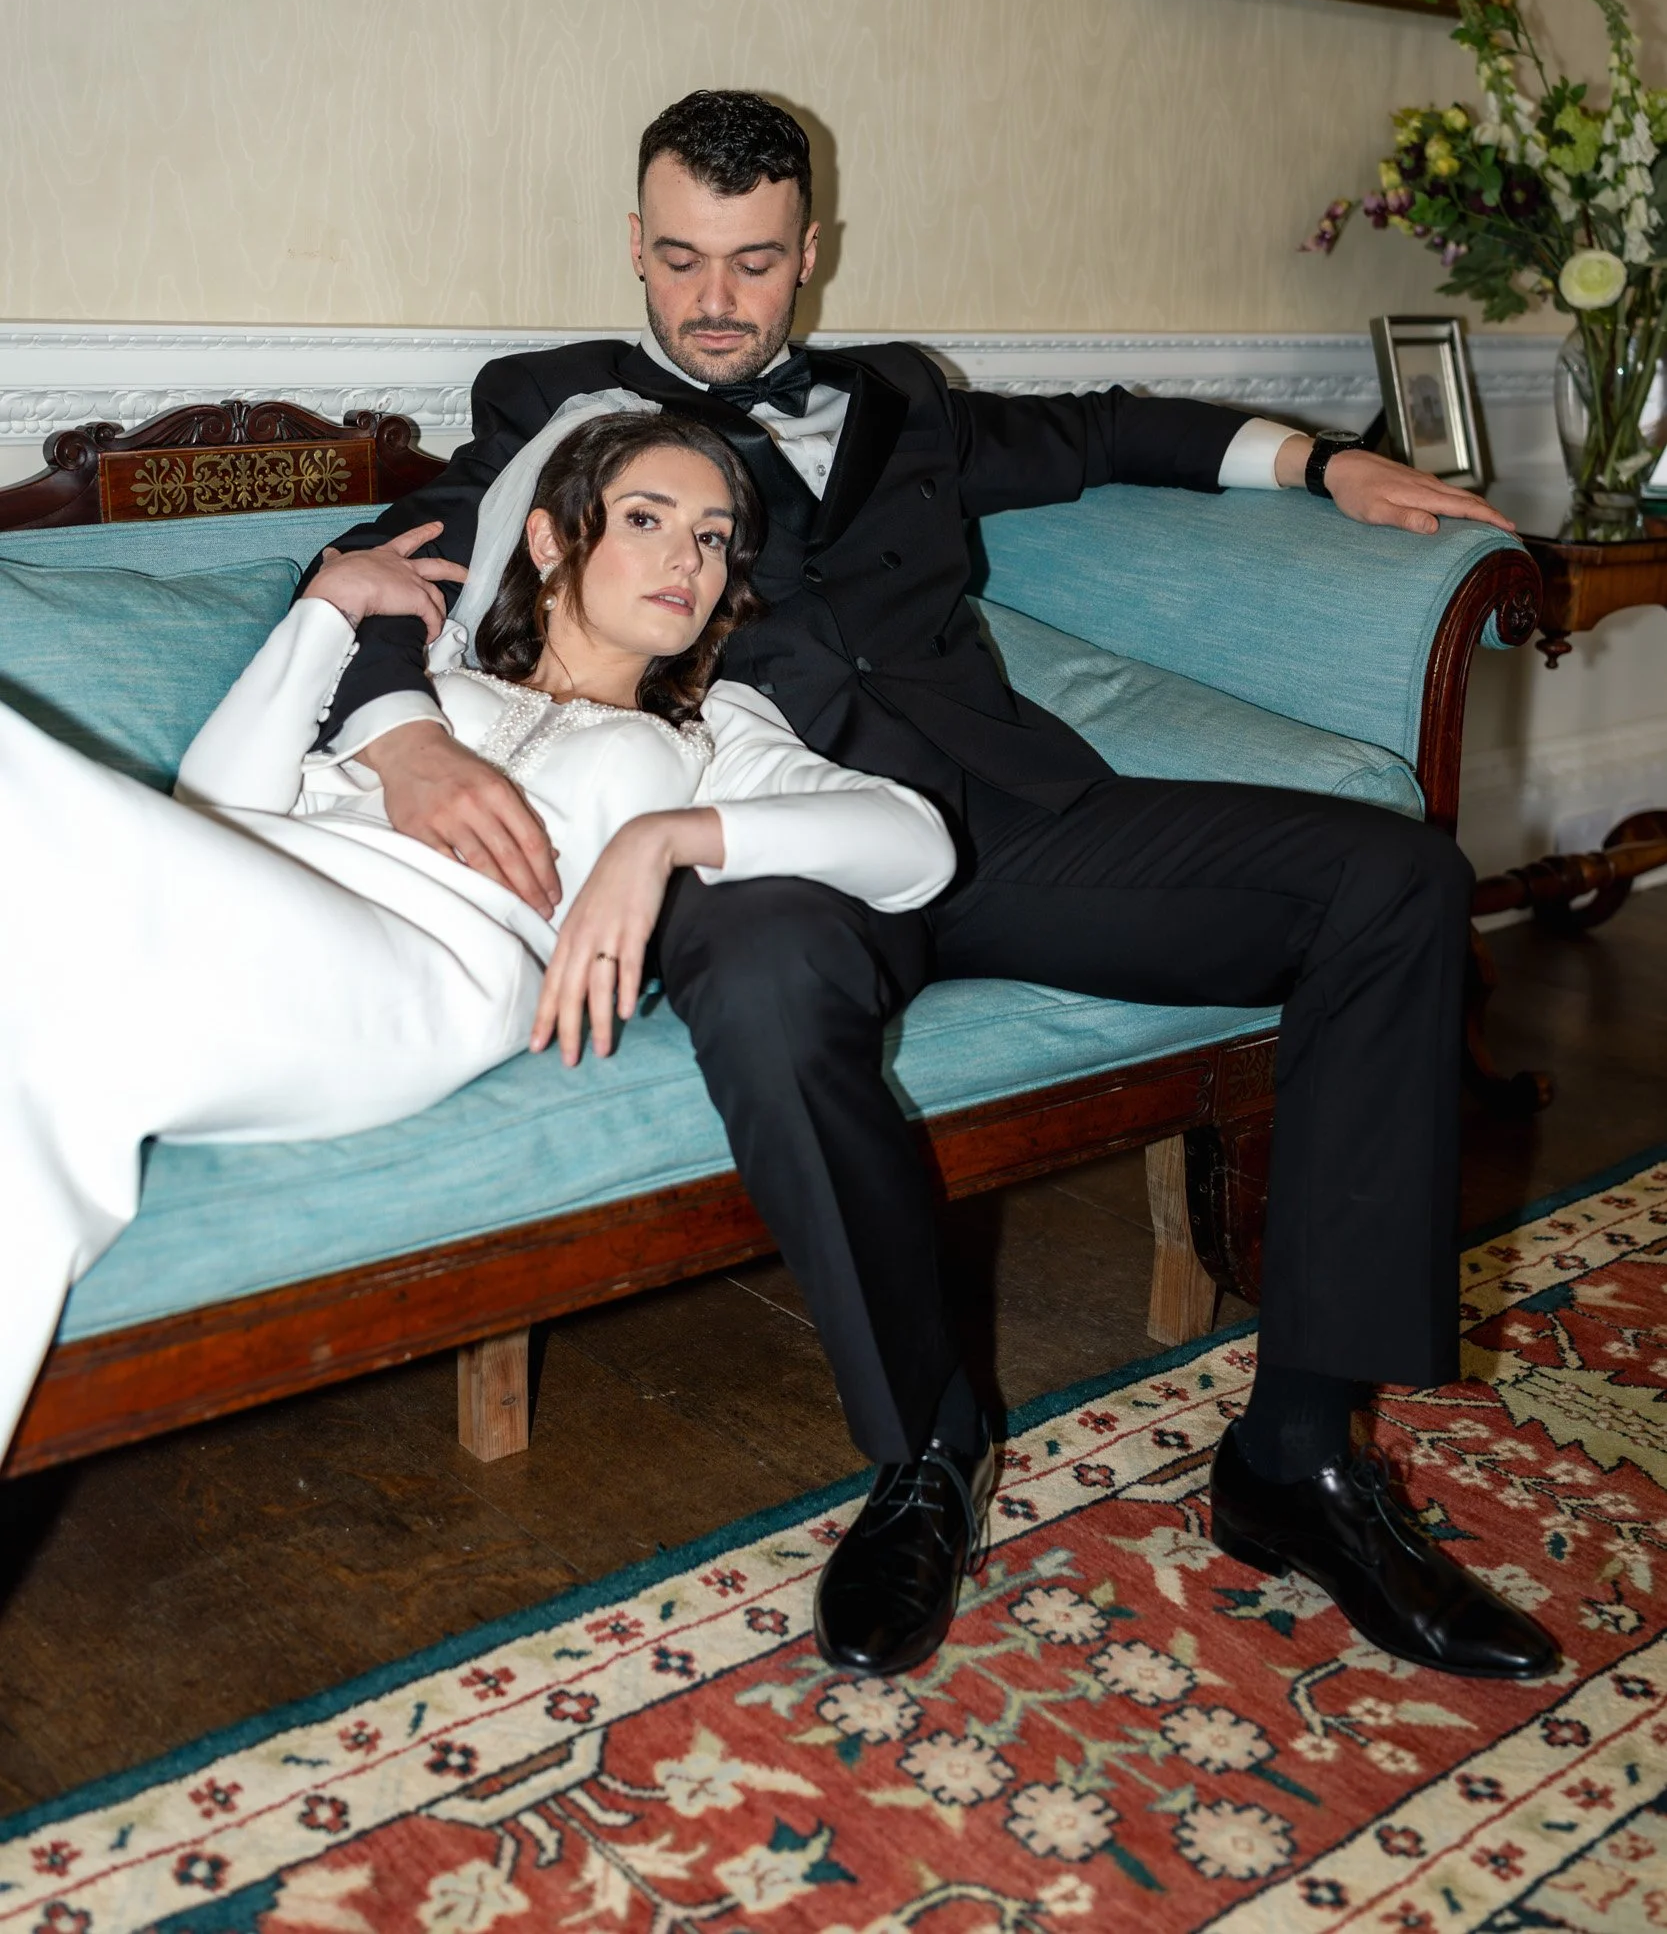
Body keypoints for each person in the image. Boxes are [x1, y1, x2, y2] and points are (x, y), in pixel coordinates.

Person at [313, 89, 1557, 1686]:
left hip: (1007, 822)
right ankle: (925, 1449)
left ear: (808, 256)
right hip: (763, 840)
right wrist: (405, 738)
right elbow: (373, 566)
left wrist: (1325, 466)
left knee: (1391, 880)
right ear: (632, 247)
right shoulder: (559, 410)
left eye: (752, 264)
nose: (712, 300)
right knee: (759, 982)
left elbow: (1111, 427)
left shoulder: (900, 399)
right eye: (680, 258)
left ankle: (1297, 1455)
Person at [0, 410, 955, 1461]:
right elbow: (218, 803)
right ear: (550, 540)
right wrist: (328, 606)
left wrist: (660, 838)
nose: (687, 555)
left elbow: (913, 844)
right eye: (648, 517)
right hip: (251, 896)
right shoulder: (428, 669)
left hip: (421, 973)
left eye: (714, 535)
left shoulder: (710, 730)